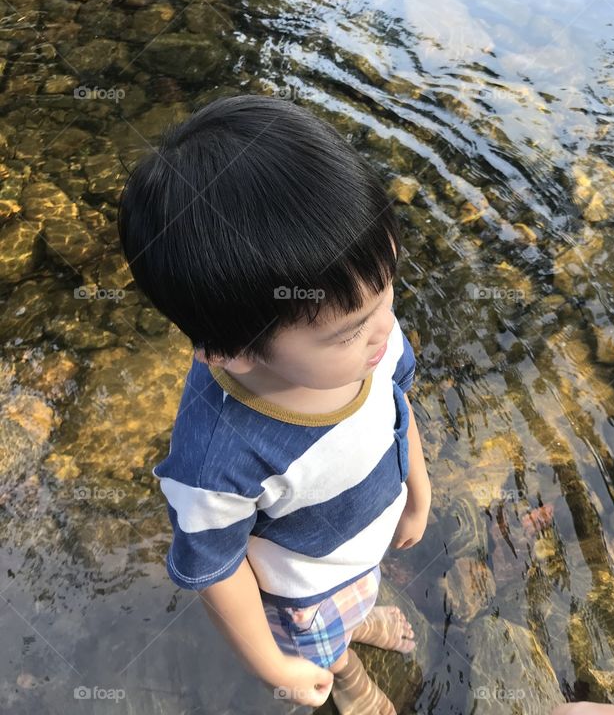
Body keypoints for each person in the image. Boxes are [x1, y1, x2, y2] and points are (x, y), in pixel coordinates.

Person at [117, 94, 431, 714]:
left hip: (359, 548)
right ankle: (344, 670)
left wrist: (417, 493)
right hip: (303, 591)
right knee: (320, 642)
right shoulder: (218, 457)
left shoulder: (372, 337)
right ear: (234, 350)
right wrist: (269, 663)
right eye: (350, 329)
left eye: (388, 290)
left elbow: (398, 408)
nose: (385, 328)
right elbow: (216, 568)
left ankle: (355, 625)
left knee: (357, 599)